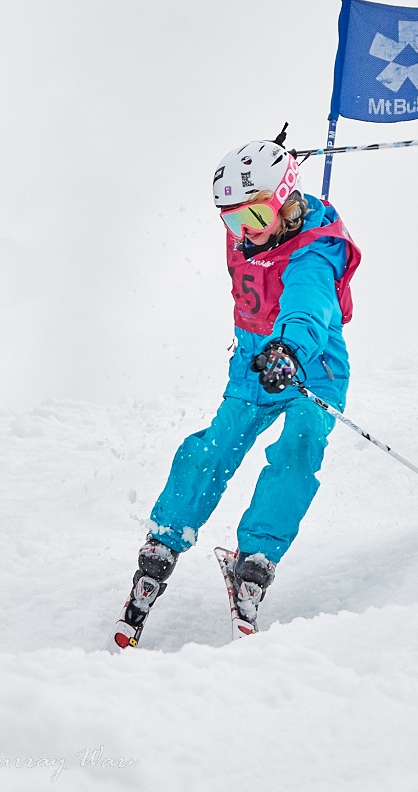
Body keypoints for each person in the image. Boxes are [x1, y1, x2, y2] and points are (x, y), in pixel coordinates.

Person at [108, 127, 361, 650]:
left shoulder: (316, 250)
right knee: (214, 446)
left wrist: (289, 350)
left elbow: (308, 304)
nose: (245, 232)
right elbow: (252, 192)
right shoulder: (255, 219)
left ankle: (258, 556)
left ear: (286, 202)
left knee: (300, 444)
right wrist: (271, 161)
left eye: (255, 217)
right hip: (252, 361)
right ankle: (165, 540)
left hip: (309, 362)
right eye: (232, 220)